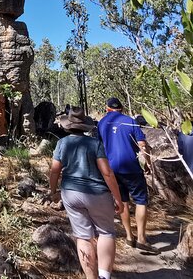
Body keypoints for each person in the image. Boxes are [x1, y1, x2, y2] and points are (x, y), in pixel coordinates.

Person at [49, 107, 124, 279]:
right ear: (85, 126)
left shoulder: (62, 143)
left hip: (70, 193)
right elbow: (107, 172)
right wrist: (117, 198)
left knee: (83, 237)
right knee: (106, 232)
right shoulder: (94, 143)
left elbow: (54, 171)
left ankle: (91, 277)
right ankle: (104, 275)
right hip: (97, 193)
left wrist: (53, 191)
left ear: (68, 125)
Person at [97, 97, 157, 253]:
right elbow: (142, 145)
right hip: (132, 168)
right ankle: (142, 239)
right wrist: (148, 163)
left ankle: (129, 237)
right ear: (121, 109)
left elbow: (99, 147)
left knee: (122, 201)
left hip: (112, 170)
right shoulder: (130, 121)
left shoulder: (102, 123)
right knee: (141, 201)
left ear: (107, 108)